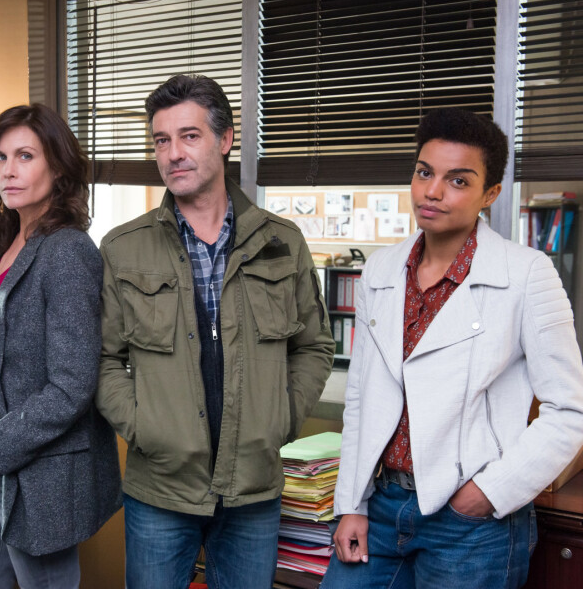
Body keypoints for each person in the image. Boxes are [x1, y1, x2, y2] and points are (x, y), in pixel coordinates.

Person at [322, 108, 583, 588]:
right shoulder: (380, 270)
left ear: (491, 194)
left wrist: (488, 492)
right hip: (380, 506)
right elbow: (361, 396)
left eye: (458, 180)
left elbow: (569, 410)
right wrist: (351, 503)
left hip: (470, 525)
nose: (433, 191)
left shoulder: (527, 274)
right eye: (425, 173)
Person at [96, 74, 335, 589]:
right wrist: (143, 427)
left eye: (189, 136)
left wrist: (281, 418)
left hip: (254, 488)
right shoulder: (122, 247)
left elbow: (314, 346)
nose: (173, 154)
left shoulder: (282, 242)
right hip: (159, 487)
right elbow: (103, 358)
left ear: (225, 139)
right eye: (162, 140)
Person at [0, 104, 122, 589]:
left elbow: (73, 384)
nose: (8, 170)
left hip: (33, 467)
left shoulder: (67, 251)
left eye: (25, 156)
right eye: (1, 157)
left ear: (59, 167)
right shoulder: (8, 242)